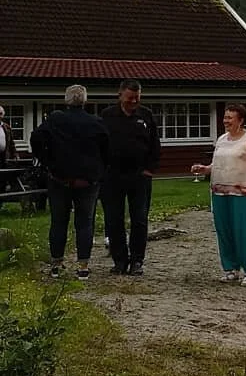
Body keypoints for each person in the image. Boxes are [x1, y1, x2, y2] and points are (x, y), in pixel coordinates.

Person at [191, 103, 246, 287]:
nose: (226, 121)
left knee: (245, 231)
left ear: (241, 120)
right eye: (225, 117)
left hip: (245, 192)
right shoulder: (222, 139)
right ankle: (230, 269)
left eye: (230, 118)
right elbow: (220, 164)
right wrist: (205, 169)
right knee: (225, 230)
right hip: (220, 191)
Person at [30, 85, 109, 280]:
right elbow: (107, 148)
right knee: (84, 223)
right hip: (87, 181)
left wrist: (46, 160)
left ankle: (56, 264)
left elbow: (35, 138)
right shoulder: (96, 122)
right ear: (84, 101)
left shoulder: (56, 119)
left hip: (59, 178)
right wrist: (99, 169)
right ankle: (83, 265)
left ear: (66, 100)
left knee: (58, 222)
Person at [100, 80, 161, 276]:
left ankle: (137, 261)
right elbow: (99, 145)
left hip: (139, 175)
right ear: (120, 96)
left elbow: (155, 145)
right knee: (113, 219)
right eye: (129, 98)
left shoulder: (146, 115)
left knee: (140, 219)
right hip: (113, 176)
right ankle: (119, 261)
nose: (133, 101)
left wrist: (149, 169)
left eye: (137, 98)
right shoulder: (107, 116)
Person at [0, 106, 13, 193]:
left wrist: (15, 154)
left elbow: (11, 142)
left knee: (3, 178)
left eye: (0, 113)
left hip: (4, 156)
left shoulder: (7, 127)